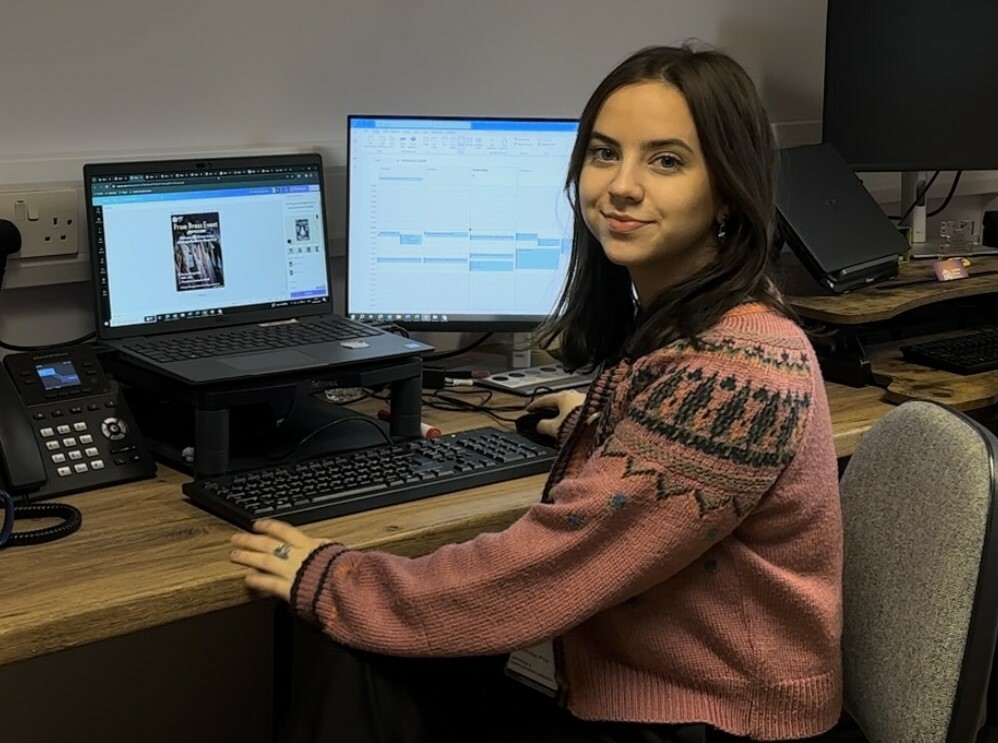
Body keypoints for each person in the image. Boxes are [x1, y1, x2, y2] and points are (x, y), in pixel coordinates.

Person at [229, 43, 843, 743]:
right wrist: (604, 424)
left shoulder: (738, 370)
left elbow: (548, 568)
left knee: (354, 643)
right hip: (659, 691)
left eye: (666, 160)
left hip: (709, 720)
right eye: (605, 153)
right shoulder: (707, 323)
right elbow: (669, 468)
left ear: (728, 189)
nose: (621, 185)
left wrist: (329, 576)